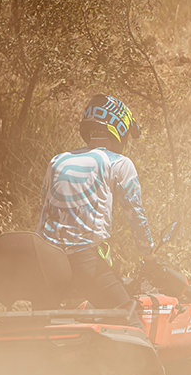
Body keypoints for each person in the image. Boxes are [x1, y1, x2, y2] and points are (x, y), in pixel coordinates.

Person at [36, 94, 155, 312]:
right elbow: (135, 214)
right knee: (127, 317)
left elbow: (45, 205)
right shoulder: (118, 163)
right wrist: (149, 254)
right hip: (84, 262)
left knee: (44, 324)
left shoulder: (57, 160)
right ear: (119, 128)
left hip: (44, 260)